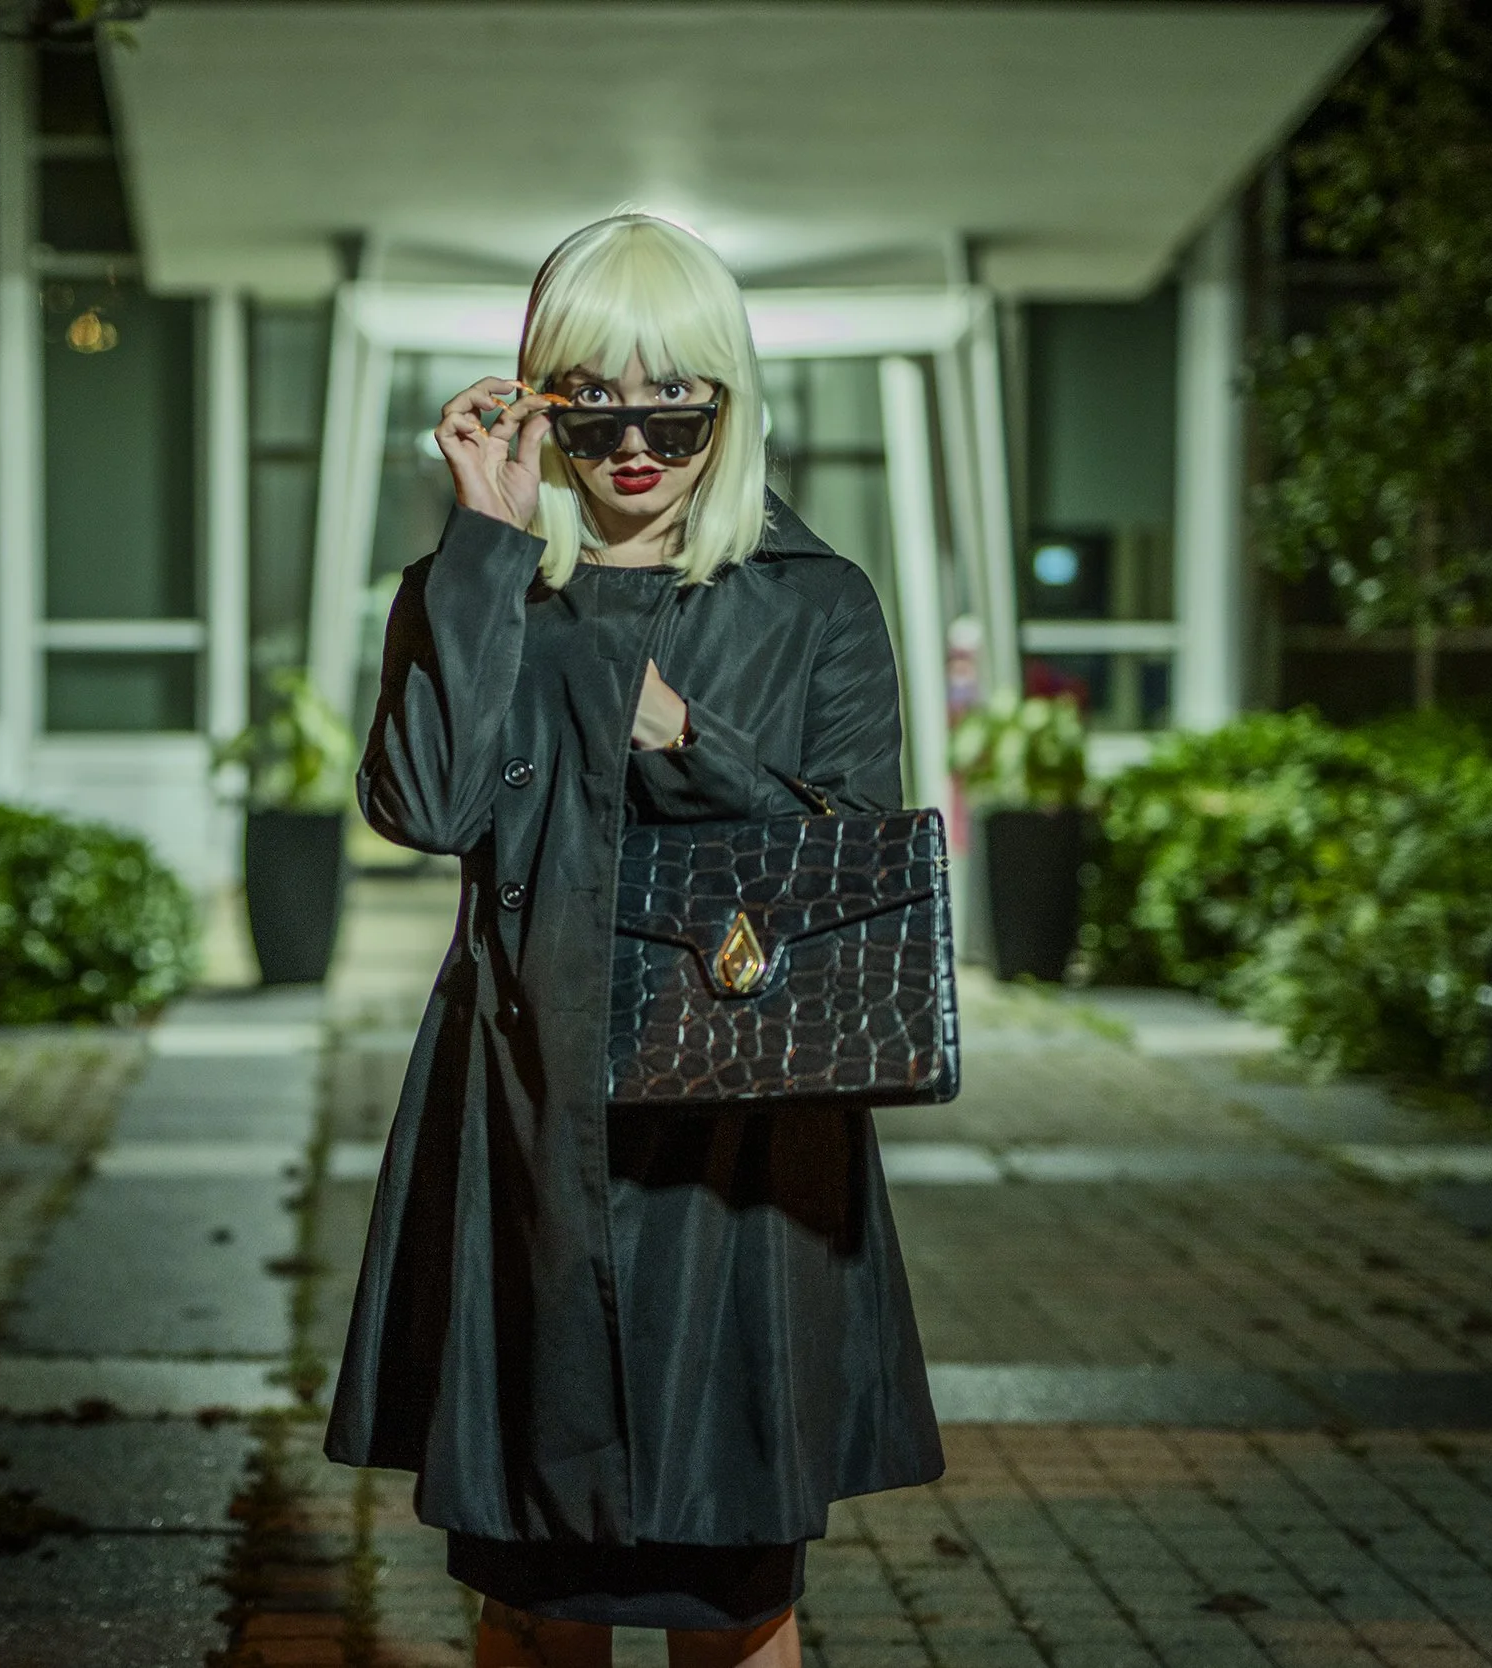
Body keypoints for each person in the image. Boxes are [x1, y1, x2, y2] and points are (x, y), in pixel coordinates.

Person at [325, 214, 942, 1668]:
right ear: (540, 400)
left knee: (733, 1594)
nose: (637, 440)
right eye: (592, 401)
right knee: (534, 1592)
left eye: (677, 400)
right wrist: (480, 539)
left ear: (730, 401)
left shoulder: (815, 603)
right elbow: (421, 804)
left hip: (735, 1150)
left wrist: (678, 735)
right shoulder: (481, 592)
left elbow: (845, 867)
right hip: (528, 1133)